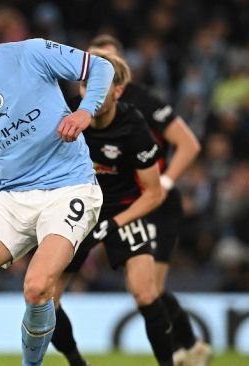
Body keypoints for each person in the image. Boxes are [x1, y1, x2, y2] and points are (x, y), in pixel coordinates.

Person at [0, 5, 114, 366]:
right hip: (13, 197)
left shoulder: (31, 53)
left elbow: (101, 67)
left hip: (70, 187)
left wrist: (85, 110)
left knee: (37, 286)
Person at [50, 35, 209, 366]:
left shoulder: (135, 120)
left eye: (100, 84)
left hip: (124, 205)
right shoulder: (64, 113)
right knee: (44, 296)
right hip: (77, 207)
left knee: (147, 291)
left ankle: (175, 357)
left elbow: (154, 191)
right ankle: (77, 362)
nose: (89, 93)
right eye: (85, 84)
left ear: (117, 90)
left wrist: (112, 224)